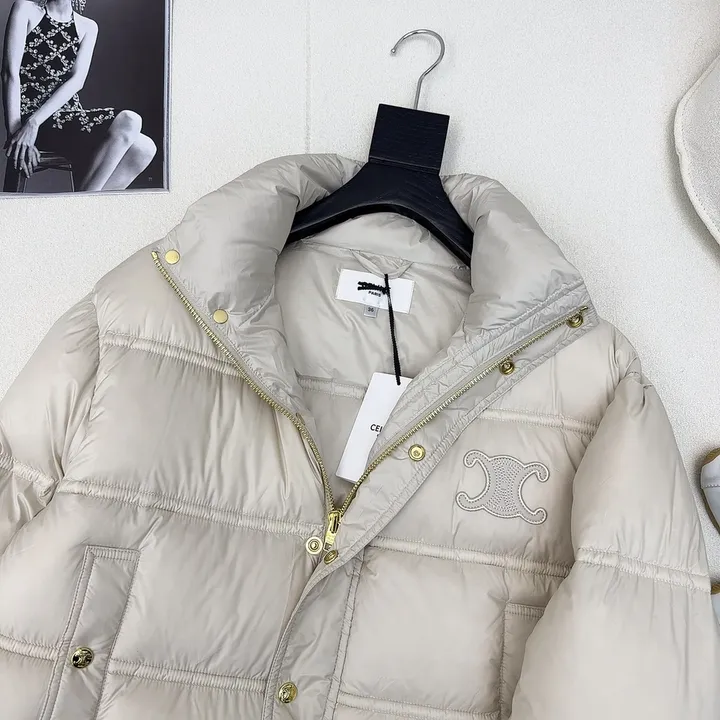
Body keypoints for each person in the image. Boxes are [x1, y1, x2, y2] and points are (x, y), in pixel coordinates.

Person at [1, 0, 156, 191]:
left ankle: (82, 204)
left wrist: (35, 123)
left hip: (65, 118)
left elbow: (77, 82)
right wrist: (17, 133)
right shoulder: (25, 8)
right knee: (129, 120)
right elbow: (9, 74)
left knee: (144, 148)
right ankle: (81, 205)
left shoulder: (88, 26)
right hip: (30, 122)